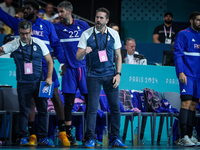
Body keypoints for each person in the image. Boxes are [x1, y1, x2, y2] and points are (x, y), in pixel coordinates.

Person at [0, 0, 70, 147]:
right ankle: (32, 135)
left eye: (28, 8)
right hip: (29, 71)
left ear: (36, 10)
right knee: (29, 103)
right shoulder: (19, 23)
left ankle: (63, 133)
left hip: (46, 70)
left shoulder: (47, 25)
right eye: (24, 9)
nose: (25, 11)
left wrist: (62, 62)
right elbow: (4, 17)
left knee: (55, 98)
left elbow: (56, 44)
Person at [76, 7, 127, 148]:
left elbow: (118, 56)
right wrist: (84, 52)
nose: (98, 20)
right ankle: (90, 138)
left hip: (110, 75)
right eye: (97, 17)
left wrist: (118, 74)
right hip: (93, 75)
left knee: (115, 107)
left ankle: (115, 138)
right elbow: (78, 55)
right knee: (92, 107)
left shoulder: (114, 34)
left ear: (107, 20)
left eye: (101, 18)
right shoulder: (86, 34)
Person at [0, 20, 54, 147]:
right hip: (23, 83)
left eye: (27, 33)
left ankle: (43, 137)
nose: (25, 36)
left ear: (31, 32)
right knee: (24, 110)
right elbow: (2, 50)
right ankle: (23, 137)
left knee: (42, 110)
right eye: (22, 33)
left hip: (39, 83)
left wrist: (49, 77)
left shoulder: (39, 43)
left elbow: (50, 61)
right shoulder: (14, 44)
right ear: (19, 32)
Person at [54, 1, 89, 146]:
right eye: (58, 11)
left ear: (69, 11)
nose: (59, 14)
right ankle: (68, 135)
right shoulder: (56, 27)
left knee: (90, 102)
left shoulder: (83, 26)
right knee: (68, 104)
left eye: (61, 11)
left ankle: (88, 135)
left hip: (84, 69)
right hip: (68, 70)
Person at [173, 11, 200, 147]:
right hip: (187, 75)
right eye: (198, 20)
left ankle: (190, 135)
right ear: (191, 21)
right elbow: (177, 54)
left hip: (198, 77)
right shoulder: (183, 34)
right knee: (186, 103)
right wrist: (181, 72)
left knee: (194, 106)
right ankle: (182, 136)